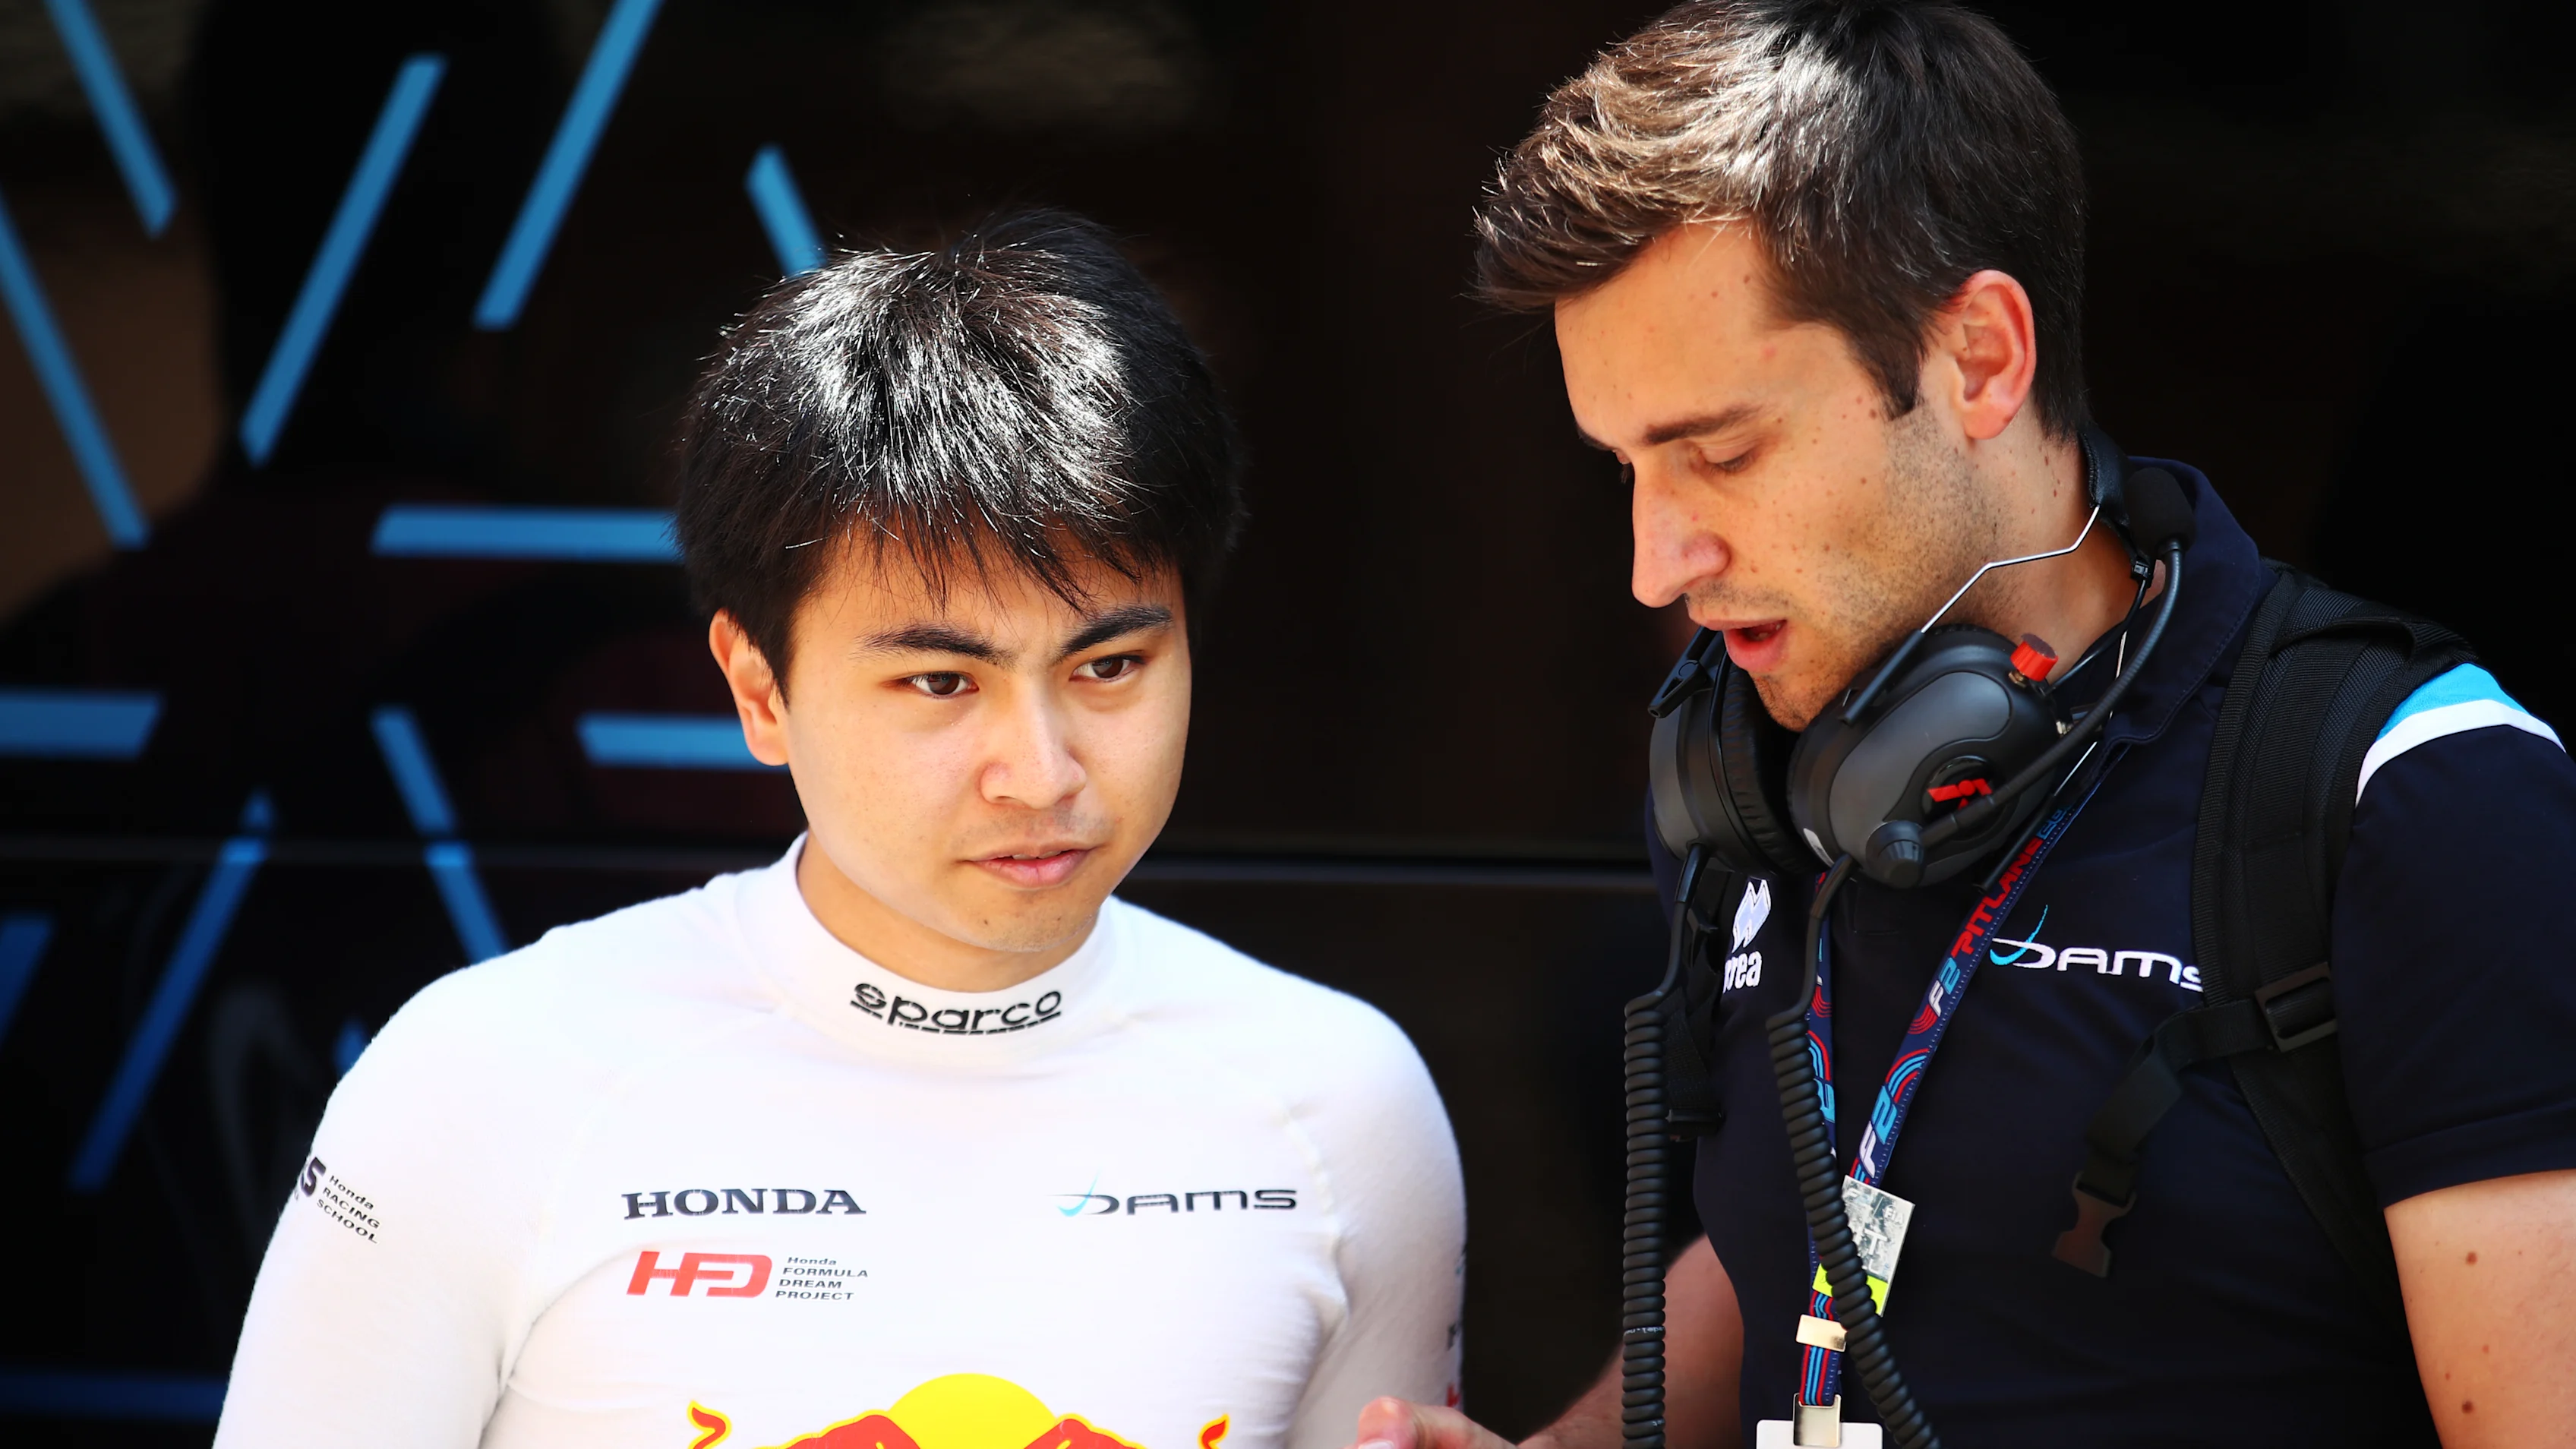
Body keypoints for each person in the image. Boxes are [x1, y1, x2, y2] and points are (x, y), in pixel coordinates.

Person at [1350, 4, 2576, 1447]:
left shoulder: (2413, 801)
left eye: (1721, 451)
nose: (1655, 564)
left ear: (1981, 360)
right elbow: (1830, 1220)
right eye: (1627, 468)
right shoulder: (1757, 772)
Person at [214, 210, 1464, 1449]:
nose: (1040, 773)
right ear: (759, 690)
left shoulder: (1340, 1106)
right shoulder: (485, 1079)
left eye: (1110, 666)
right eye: (942, 681)